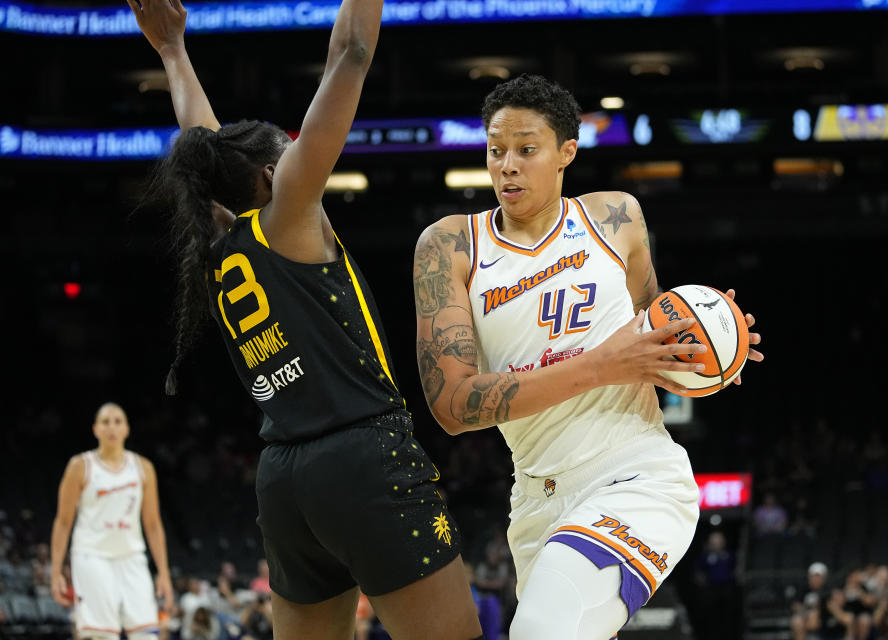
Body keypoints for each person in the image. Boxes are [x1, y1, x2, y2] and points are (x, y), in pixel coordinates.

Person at [127, 0, 482, 638]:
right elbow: (350, 52)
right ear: (274, 173)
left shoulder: (221, 243)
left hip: (284, 478)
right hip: (361, 457)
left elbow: (203, 146)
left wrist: (173, 51)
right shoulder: (290, 213)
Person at [413, 74, 763, 639]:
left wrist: (715, 351)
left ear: (566, 153)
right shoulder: (450, 246)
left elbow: (658, 348)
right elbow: (453, 405)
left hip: (635, 473)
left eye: (527, 150)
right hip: (535, 499)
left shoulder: (615, 217)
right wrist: (603, 364)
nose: (507, 165)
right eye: (496, 150)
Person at [50, 402, 174, 640]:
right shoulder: (80, 466)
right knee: (100, 635)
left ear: (126, 429)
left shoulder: (143, 468)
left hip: (132, 556)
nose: (111, 427)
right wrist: (56, 571)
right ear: (96, 429)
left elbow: (153, 524)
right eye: (105, 422)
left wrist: (164, 573)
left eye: (117, 421)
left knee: (147, 633)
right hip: (91, 555)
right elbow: (63, 521)